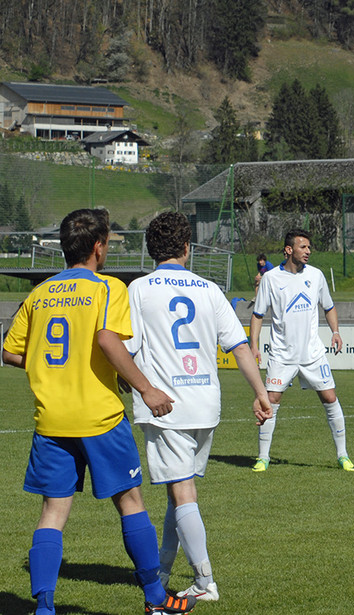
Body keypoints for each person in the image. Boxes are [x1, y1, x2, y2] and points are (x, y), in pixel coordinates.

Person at [1, 209, 196, 615]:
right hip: (99, 419)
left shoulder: (39, 294)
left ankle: (44, 607)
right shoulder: (109, 289)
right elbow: (108, 340)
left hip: (51, 421)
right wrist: (146, 388)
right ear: (98, 247)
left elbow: (9, 350)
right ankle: (157, 599)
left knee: (53, 512)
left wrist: (52, 365)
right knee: (131, 502)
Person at [124, 212, 274, 602]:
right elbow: (240, 346)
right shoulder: (209, 289)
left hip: (166, 405)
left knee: (182, 491)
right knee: (181, 489)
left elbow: (126, 348)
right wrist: (260, 392)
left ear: (150, 249)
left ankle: (205, 582)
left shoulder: (138, 289)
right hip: (206, 403)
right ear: (188, 248)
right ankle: (162, 569)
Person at [250, 229, 354, 472]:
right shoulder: (271, 278)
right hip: (282, 354)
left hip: (312, 354)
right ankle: (263, 457)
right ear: (289, 250)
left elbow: (328, 307)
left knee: (330, 398)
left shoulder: (316, 276)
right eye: (303, 247)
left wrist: (335, 332)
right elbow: (257, 315)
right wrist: (254, 345)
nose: (308, 251)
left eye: (309, 247)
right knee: (271, 401)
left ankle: (343, 455)